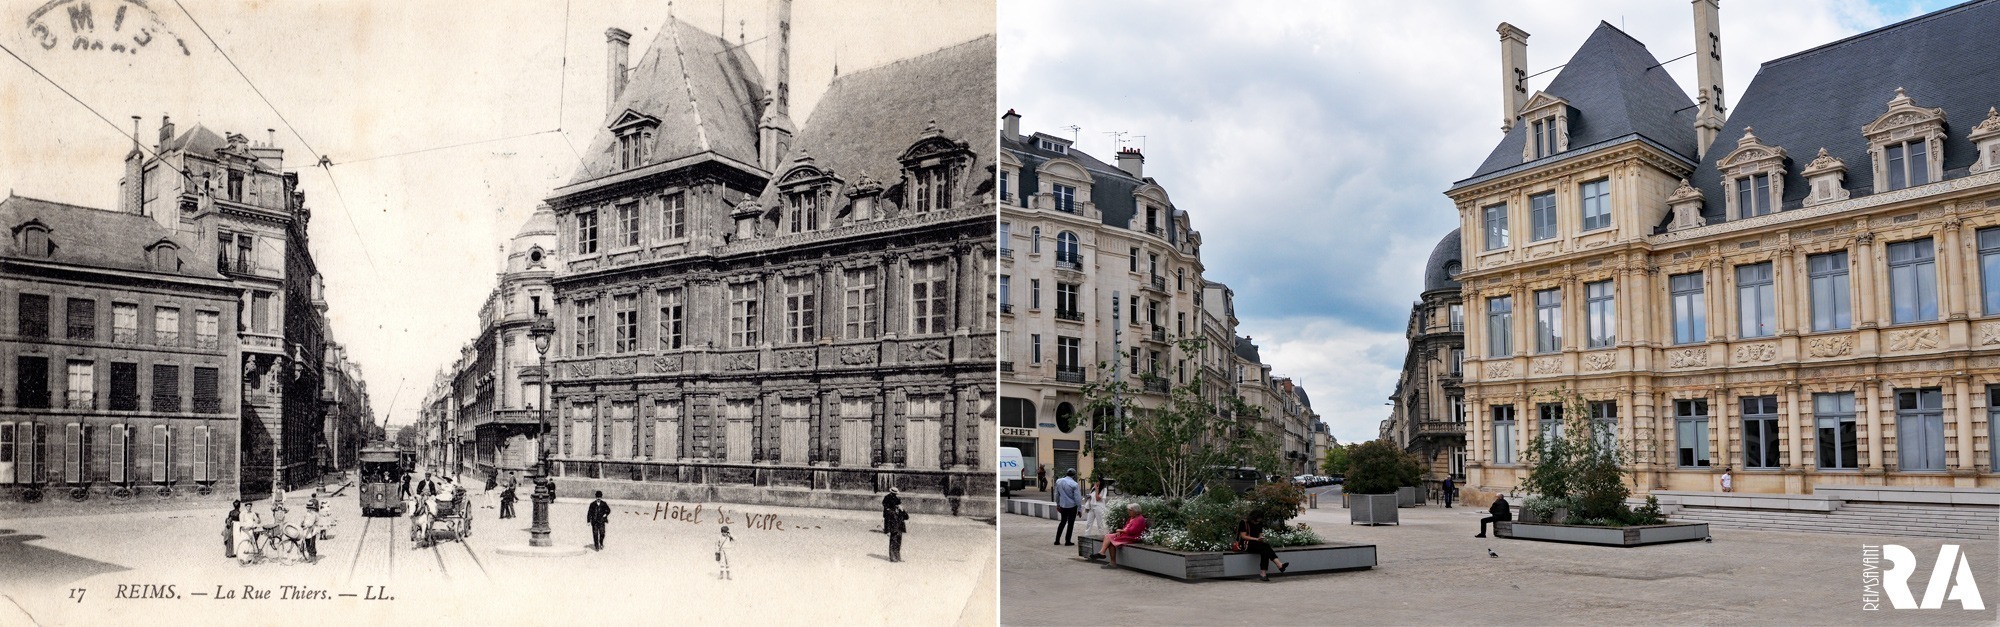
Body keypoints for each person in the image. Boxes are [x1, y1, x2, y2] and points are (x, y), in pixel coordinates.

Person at [1091, 503, 1148, 568]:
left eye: (1130, 510)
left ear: (1136, 511)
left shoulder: (1139, 519)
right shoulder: (1132, 517)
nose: (1128, 511)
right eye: (1128, 510)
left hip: (1133, 537)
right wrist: (1120, 532)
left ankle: (1109, 559)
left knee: (1110, 540)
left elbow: (1132, 531)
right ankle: (1104, 554)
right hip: (1126, 535)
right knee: (1108, 537)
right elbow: (1126, 527)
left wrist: (1120, 531)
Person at [1236, 517, 1289, 582]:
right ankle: (1277, 565)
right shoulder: (1244, 522)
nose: (1258, 522)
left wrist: (1261, 538)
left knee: (1265, 549)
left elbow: (1260, 535)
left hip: (1256, 543)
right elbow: (1243, 536)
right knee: (1265, 547)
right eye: (1257, 520)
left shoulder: (1260, 523)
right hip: (1246, 544)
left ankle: (1264, 573)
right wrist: (1256, 539)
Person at [1052, 468, 1082, 546]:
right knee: (1070, 523)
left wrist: (1058, 504)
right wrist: (1079, 509)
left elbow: (1057, 494)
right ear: (1074, 475)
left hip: (1063, 505)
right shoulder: (1074, 484)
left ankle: (1057, 540)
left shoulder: (1059, 481)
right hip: (1072, 506)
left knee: (1062, 522)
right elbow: (1077, 498)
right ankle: (1067, 541)